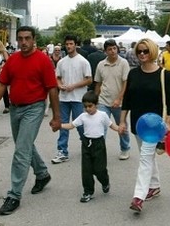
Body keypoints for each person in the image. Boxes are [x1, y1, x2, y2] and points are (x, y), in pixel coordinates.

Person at [0, 26, 61, 216]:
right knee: (23, 145)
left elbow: (52, 89)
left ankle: (14, 195)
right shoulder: (13, 59)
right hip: (16, 109)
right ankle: (42, 174)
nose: (24, 42)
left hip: (34, 108)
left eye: (27, 38)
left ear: (34, 39)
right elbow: (2, 84)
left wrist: (56, 117)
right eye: (20, 39)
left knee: (21, 151)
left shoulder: (43, 61)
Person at [119, 38, 170, 214]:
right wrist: (122, 121)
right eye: (139, 51)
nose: (142, 54)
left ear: (152, 51)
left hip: (155, 126)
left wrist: (168, 123)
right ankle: (155, 185)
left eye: (145, 51)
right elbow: (127, 100)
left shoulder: (163, 74)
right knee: (148, 156)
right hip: (137, 123)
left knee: (144, 158)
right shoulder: (133, 74)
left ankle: (138, 197)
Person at [61, 91, 120, 203]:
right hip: (86, 143)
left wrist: (120, 129)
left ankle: (105, 182)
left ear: (96, 104)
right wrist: (60, 125)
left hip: (99, 144)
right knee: (86, 170)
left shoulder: (102, 115)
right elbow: (71, 125)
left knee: (99, 169)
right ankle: (88, 191)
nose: (88, 109)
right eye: (85, 107)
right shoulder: (83, 116)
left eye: (90, 106)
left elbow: (111, 125)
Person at [52, 34, 93, 164]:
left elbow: (89, 79)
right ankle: (62, 151)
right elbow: (57, 77)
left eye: (71, 44)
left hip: (78, 98)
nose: (69, 46)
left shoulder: (83, 61)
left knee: (81, 124)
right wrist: (60, 85)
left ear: (76, 45)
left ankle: (88, 146)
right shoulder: (61, 62)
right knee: (63, 124)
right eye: (67, 44)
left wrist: (73, 86)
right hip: (64, 98)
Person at [93, 39, 131, 160]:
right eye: (110, 49)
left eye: (114, 48)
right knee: (101, 126)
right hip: (103, 101)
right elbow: (98, 83)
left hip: (119, 102)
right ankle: (100, 150)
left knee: (122, 126)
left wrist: (119, 98)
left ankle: (125, 148)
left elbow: (126, 82)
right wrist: (94, 100)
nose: (113, 51)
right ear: (105, 51)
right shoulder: (101, 64)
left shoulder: (123, 63)